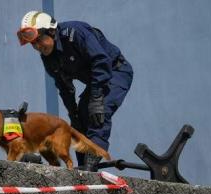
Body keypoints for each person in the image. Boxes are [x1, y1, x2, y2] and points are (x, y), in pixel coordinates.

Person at [17, 11, 133, 171]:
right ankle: (83, 168)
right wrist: (74, 115)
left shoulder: (75, 33)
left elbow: (101, 60)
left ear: (51, 31)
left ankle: (92, 159)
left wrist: (97, 97)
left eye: (39, 40)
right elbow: (65, 88)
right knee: (80, 121)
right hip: (96, 80)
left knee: (99, 111)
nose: (38, 46)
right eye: (33, 44)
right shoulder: (48, 58)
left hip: (115, 71)